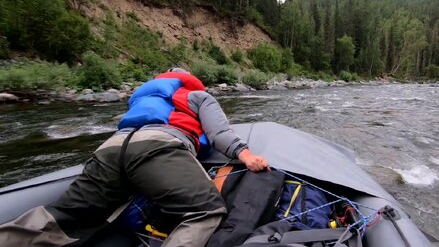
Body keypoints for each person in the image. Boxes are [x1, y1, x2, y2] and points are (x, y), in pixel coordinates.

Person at [0, 68, 269, 247]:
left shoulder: (140, 98)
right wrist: (245, 155)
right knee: (205, 210)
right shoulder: (197, 95)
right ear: (190, 80)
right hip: (157, 147)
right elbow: (219, 133)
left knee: (63, 215)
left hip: (110, 149)